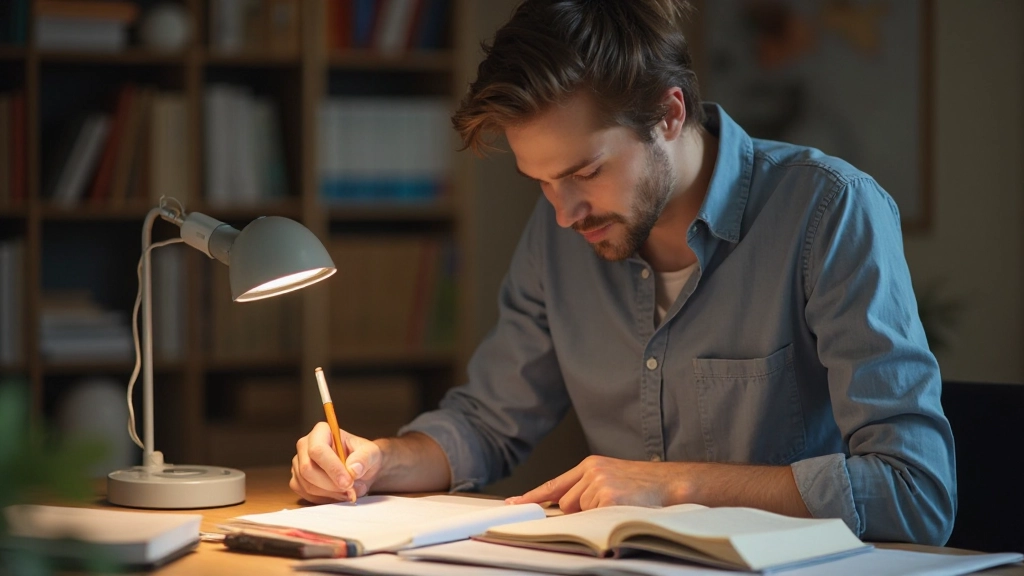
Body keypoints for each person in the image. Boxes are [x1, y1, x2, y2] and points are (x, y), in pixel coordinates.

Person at [290, 0, 956, 544]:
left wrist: (675, 484)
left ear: (668, 115)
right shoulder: (562, 237)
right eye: (541, 183)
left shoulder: (829, 211)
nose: (563, 214)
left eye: (585, 172)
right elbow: (488, 423)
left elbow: (915, 490)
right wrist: (378, 460)